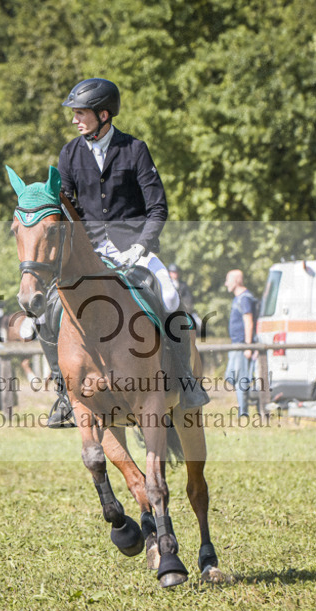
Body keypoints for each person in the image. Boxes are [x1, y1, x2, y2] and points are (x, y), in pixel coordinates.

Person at [37, 77, 207, 426]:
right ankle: (63, 394)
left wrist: (141, 246)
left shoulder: (134, 150)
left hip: (134, 248)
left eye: (80, 113)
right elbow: (67, 209)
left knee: (171, 296)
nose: (74, 120)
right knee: (44, 313)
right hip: (89, 253)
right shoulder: (69, 153)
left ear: (103, 114)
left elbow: (157, 207)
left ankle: (186, 381)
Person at [223, 270, 257, 418]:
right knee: (231, 377)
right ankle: (248, 403)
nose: (226, 284)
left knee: (240, 379)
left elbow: (248, 322)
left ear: (236, 281)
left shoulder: (244, 299)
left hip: (242, 345)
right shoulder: (237, 298)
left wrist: (248, 346)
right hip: (236, 344)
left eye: (228, 281)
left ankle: (243, 412)